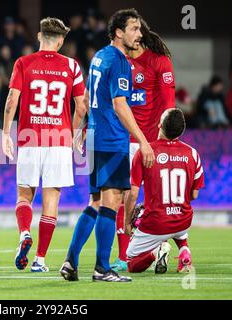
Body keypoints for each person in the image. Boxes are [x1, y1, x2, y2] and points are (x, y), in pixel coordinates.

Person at [60, 9, 154, 282]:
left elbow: (87, 97)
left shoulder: (99, 56)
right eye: (134, 28)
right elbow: (120, 104)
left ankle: (70, 261)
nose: (140, 33)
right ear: (118, 33)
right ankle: (102, 267)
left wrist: (81, 129)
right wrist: (143, 141)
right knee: (111, 202)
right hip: (111, 139)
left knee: (96, 200)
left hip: (94, 136)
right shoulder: (120, 61)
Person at [2, 17, 87, 272]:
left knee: (24, 194)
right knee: (51, 202)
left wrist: (6, 132)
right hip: (59, 138)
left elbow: (11, 99)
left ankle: (24, 233)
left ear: (39, 37)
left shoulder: (23, 63)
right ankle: (39, 260)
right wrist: (73, 134)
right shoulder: (72, 66)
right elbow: (81, 106)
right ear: (61, 41)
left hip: (30, 136)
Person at [111, 17, 176, 272]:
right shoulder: (119, 63)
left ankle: (160, 246)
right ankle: (125, 255)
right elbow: (109, 101)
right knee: (120, 198)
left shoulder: (159, 62)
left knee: (155, 201)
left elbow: (170, 105)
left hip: (151, 143)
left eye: (137, 31)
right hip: (124, 142)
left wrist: (167, 141)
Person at [124, 108, 205, 274]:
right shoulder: (193, 153)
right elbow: (194, 195)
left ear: (159, 124)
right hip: (183, 221)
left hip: (156, 223)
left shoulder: (145, 152)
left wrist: (126, 221)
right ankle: (184, 250)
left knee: (131, 263)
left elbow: (132, 194)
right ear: (181, 130)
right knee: (177, 219)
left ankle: (157, 251)